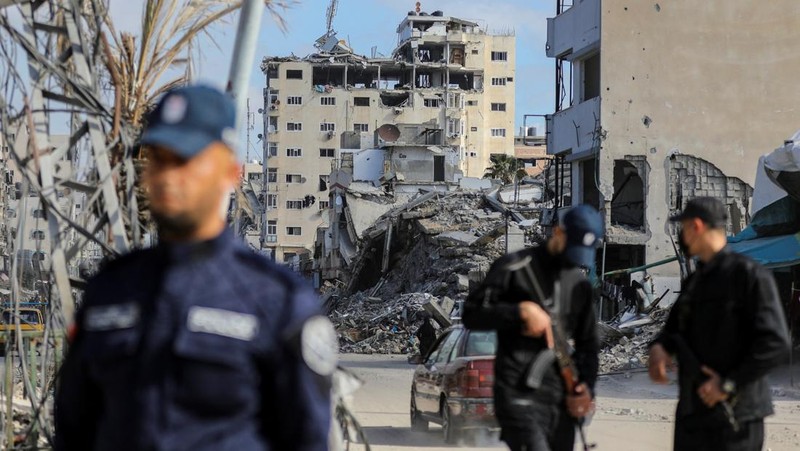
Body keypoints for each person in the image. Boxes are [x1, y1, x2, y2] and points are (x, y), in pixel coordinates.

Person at [55, 85, 336, 451]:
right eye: (158, 158)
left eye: (184, 159)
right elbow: (73, 431)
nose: (168, 176)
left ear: (230, 172)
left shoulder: (276, 302)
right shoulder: (108, 292)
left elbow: (307, 440)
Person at [648, 197, 791, 451]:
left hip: (734, 418)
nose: (681, 236)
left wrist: (727, 383)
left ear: (696, 227)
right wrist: (659, 348)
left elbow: (775, 343)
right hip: (694, 416)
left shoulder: (749, 275)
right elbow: (672, 330)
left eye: (683, 228)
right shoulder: (696, 281)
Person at [463, 204, 602, 451]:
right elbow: (472, 315)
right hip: (518, 393)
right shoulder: (513, 268)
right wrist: (519, 312)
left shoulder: (579, 285)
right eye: (572, 250)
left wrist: (586, 389)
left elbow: (588, 345)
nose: (574, 261)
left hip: (559, 398)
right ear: (558, 233)